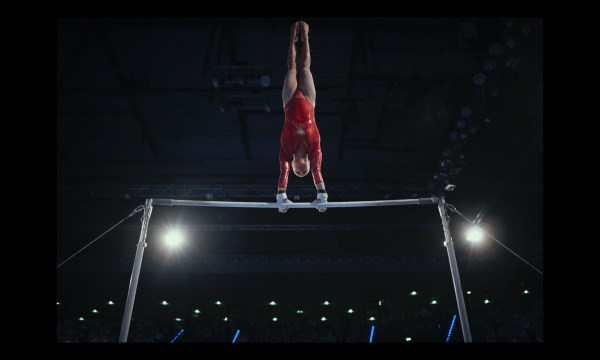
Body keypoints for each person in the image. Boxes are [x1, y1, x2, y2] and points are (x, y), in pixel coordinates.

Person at [276, 21, 327, 213]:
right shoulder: (314, 149)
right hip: (308, 99)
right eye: (303, 171)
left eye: (298, 171)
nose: (302, 170)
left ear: (293, 164)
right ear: (306, 162)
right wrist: (322, 196)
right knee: (304, 66)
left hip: (289, 101)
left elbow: (283, 170)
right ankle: (305, 37)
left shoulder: (286, 150)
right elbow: (317, 170)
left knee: (291, 67)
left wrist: (282, 196)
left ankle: (292, 38)